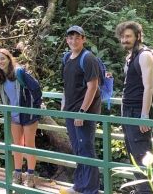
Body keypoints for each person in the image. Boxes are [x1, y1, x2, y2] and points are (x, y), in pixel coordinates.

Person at [115, 21, 153, 194]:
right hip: (127, 110)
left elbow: (149, 86)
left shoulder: (145, 55)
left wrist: (144, 115)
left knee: (141, 155)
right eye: (122, 37)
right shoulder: (130, 57)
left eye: (128, 36)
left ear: (138, 36)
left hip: (138, 111)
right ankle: (140, 189)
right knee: (133, 154)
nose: (125, 40)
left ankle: (146, 191)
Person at [0, 48, 42, 188]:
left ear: (9, 58)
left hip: (28, 114)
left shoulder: (19, 72)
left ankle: (31, 176)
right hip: (13, 115)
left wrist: (34, 107)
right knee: (17, 146)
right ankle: (18, 174)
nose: (0, 62)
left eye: (3, 58)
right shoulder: (0, 78)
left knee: (29, 145)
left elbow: (36, 88)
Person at [61, 26, 100, 194]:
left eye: (77, 38)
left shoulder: (88, 58)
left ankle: (90, 189)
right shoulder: (66, 58)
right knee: (78, 149)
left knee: (86, 149)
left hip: (84, 112)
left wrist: (82, 112)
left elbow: (93, 86)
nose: (73, 41)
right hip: (71, 111)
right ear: (67, 40)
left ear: (83, 39)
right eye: (70, 38)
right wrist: (63, 105)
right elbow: (66, 85)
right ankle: (79, 186)